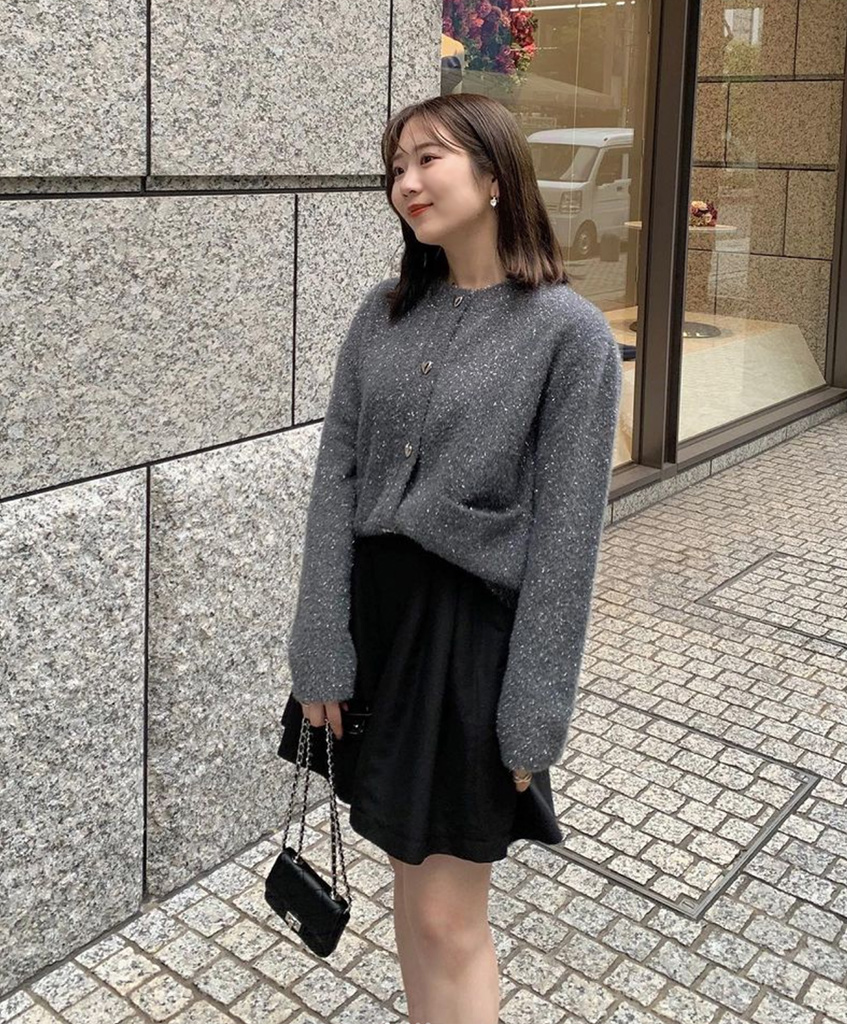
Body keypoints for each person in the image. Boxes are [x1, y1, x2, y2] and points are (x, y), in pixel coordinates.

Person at [286, 93, 622, 1024]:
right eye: (395, 167)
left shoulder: (569, 335)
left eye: (427, 158)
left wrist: (535, 713)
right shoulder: (382, 313)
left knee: (446, 914)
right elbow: (336, 477)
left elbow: (566, 540)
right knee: (409, 874)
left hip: (466, 637)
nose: (406, 182)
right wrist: (319, 643)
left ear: (494, 172)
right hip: (376, 620)